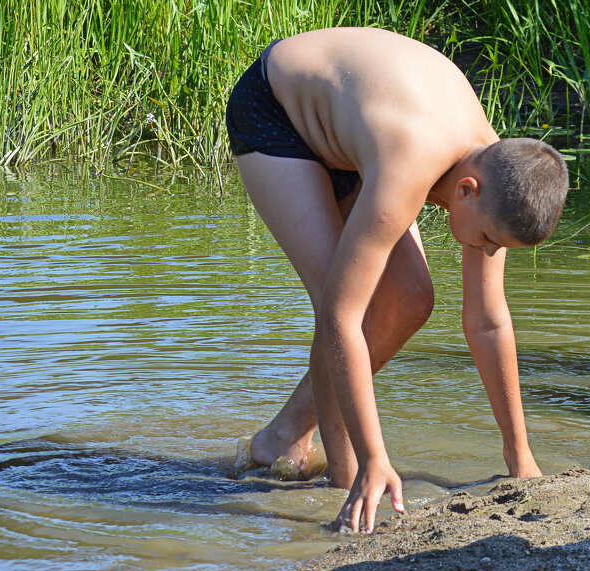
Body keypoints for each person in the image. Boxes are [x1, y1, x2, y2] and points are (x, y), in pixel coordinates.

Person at [223, 27, 569, 531]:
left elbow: (488, 322)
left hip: (358, 127)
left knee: (409, 299)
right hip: (278, 111)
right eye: (489, 240)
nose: (490, 252)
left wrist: (520, 458)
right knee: (337, 298)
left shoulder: (497, 175)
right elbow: (342, 318)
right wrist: (372, 460)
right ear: (467, 190)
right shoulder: (411, 165)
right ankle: (345, 486)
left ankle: (279, 440)